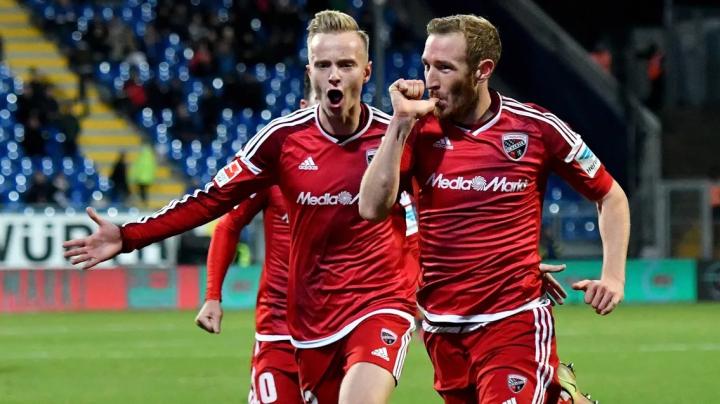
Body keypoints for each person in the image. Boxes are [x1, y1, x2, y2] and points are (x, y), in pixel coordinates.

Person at [65, 11, 417, 404]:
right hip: (310, 319)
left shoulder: (397, 136)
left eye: (346, 65)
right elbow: (212, 202)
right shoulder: (281, 141)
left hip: (380, 304)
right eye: (323, 65)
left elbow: (439, 210)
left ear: (367, 72)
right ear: (310, 72)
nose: (334, 75)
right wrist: (128, 236)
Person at [359, 14, 629, 404]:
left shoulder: (535, 128)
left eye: (445, 68)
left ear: (482, 70)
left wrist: (614, 277)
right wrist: (399, 123)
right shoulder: (416, 130)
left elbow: (610, 195)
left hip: (513, 322)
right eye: (427, 65)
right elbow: (370, 207)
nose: (430, 79)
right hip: (442, 331)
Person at [194, 76, 319, 404]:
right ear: (303, 108)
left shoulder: (363, 167)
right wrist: (212, 295)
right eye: (319, 102)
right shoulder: (273, 165)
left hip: (339, 327)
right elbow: (228, 225)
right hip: (277, 329)